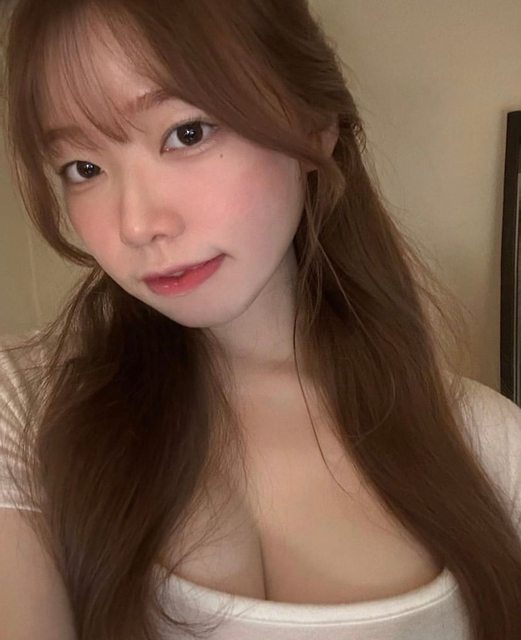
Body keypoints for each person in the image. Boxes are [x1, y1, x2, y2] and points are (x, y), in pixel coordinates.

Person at [1, 1, 521, 639]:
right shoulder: (25, 406)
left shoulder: (492, 449)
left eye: (187, 133)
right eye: (83, 169)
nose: (137, 225)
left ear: (314, 128)